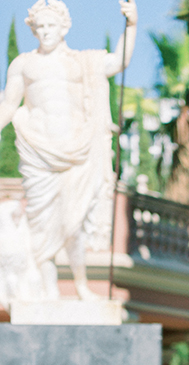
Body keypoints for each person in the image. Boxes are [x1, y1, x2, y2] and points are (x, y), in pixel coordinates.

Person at [0, 0, 137, 301]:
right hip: (38, 153)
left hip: (78, 151)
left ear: (65, 27)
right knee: (41, 227)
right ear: (33, 30)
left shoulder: (81, 62)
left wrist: (131, 25)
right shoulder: (23, 64)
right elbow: (9, 104)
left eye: (51, 26)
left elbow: (117, 63)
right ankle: (49, 291)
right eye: (40, 27)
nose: (45, 32)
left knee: (73, 224)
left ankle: (81, 285)